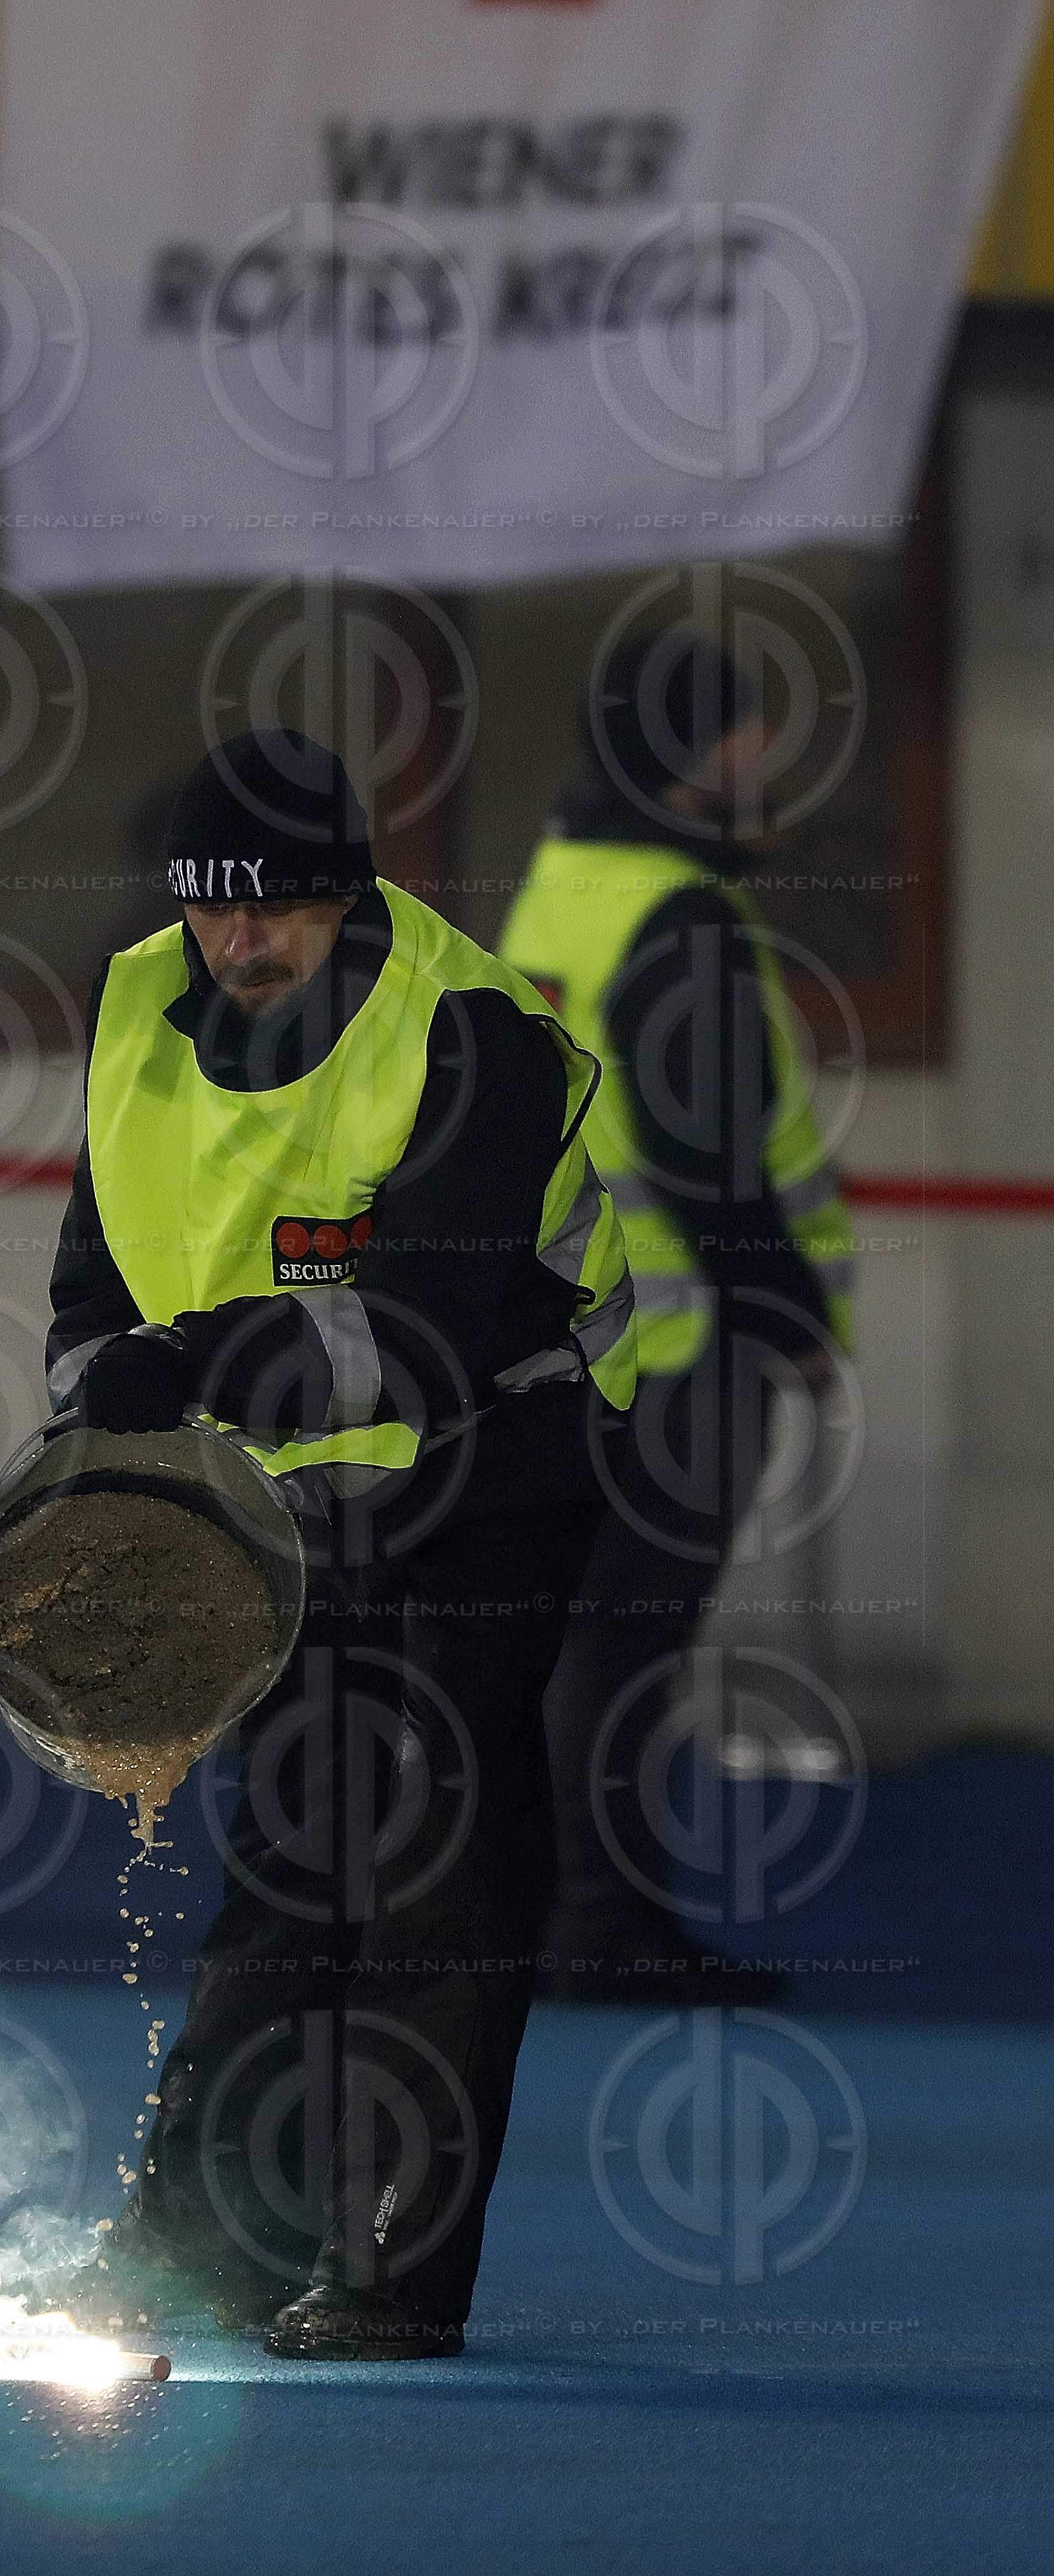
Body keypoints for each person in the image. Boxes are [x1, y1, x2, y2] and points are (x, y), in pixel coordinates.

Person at [39, 728, 636, 2359]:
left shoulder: (472, 1033)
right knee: (296, 1864)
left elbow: (426, 1342)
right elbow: (98, 1296)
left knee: (433, 1864)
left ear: (351, 892)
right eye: (219, 909)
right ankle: (202, 2254)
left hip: (503, 1461)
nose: (247, 943)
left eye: (286, 909)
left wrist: (203, 1365)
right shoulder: (139, 1020)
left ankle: (388, 2276)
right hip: (301, 1487)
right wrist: (92, 1459)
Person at [498, 630, 854, 2000]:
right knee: (626, 1644)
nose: (761, 767)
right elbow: (708, 1154)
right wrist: (791, 1307)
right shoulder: (682, 917)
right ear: (683, 758)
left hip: (573, 1333)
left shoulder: (564, 890)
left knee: (574, 1637)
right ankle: (605, 1930)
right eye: (738, 741)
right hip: (684, 1347)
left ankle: (544, 1916)